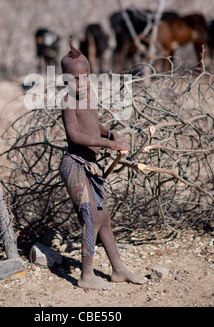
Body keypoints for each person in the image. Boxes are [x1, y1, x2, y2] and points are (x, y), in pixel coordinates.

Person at [59, 38, 146, 290]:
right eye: (75, 79)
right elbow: (75, 135)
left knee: (104, 217)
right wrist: (108, 145)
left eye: (85, 76)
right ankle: (86, 276)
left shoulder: (89, 95)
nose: (81, 82)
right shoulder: (68, 101)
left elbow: (93, 124)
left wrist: (110, 134)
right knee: (91, 218)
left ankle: (118, 270)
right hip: (74, 165)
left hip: (91, 166)